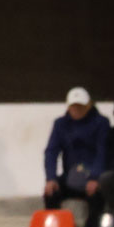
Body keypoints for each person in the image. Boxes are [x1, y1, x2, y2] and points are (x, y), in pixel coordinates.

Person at [44, 86, 108, 216]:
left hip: (93, 176)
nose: (76, 110)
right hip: (70, 176)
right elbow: (51, 151)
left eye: (80, 106)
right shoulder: (60, 124)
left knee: (97, 196)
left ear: (89, 105)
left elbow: (103, 151)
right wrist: (51, 178)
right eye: (73, 106)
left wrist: (95, 177)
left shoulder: (101, 123)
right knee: (51, 193)